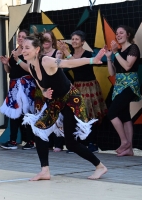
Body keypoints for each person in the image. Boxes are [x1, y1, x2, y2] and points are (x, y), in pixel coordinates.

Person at [21, 29, 107, 181]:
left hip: (71, 100)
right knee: (39, 129)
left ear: (37, 49)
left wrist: (92, 60)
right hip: (55, 101)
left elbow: (68, 63)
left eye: (27, 47)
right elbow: (40, 83)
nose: (24, 50)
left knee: (71, 143)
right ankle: (45, 171)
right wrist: (45, 91)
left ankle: (100, 167)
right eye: (23, 47)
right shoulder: (31, 65)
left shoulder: (46, 61)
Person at [58, 30, 108, 153]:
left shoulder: (88, 54)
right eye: (72, 39)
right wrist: (63, 53)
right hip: (77, 86)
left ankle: (92, 143)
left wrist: (66, 52)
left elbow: (77, 65)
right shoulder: (69, 54)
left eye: (77, 39)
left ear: (83, 42)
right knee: (75, 114)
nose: (74, 41)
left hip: (89, 86)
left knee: (91, 114)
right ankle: (76, 144)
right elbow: (68, 64)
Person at [104, 25, 141, 157]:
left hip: (130, 85)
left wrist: (115, 53)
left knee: (112, 113)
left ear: (128, 35)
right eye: (117, 33)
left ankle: (124, 141)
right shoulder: (118, 51)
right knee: (125, 116)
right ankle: (129, 149)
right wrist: (109, 57)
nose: (118, 35)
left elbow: (127, 66)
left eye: (121, 33)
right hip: (119, 85)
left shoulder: (133, 48)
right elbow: (112, 72)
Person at [0, 29, 36, 150]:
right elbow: (10, 71)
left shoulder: (28, 52)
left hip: (25, 85)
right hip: (14, 86)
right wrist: (6, 63)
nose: (20, 38)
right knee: (14, 113)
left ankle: (30, 141)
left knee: (27, 113)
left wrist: (17, 59)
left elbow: (29, 69)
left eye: (22, 36)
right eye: (19, 36)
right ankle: (13, 141)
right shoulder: (14, 51)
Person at [41, 30, 65, 152]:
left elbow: (58, 66)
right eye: (43, 39)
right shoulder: (38, 54)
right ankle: (48, 142)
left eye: (48, 39)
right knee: (47, 114)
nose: (46, 41)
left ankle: (59, 143)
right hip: (45, 88)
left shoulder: (57, 52)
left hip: (57, 87)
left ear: (52, 40)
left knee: (58, 115)